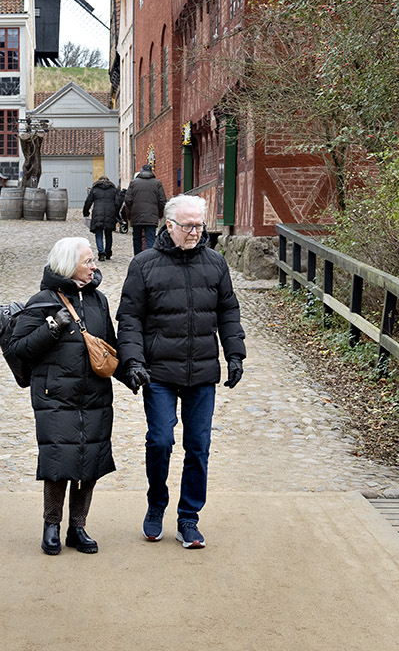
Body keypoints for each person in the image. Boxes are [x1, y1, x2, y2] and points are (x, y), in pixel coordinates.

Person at [116, 195, 245, 549]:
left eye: (199, 225)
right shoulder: (143, 265)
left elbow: (228, 313)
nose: (194, 232)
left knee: (198, 447)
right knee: (160, 441)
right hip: (158, 371)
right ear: (169, 225)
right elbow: (129, 318)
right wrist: (133, 362)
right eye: (187, 226)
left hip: (202, 371)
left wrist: (235, 354)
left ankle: (189, 518)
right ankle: (156, 505)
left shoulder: (216, 264)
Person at [5, 236, 119, 555]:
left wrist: (132, 372)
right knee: (59, 460)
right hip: (55, 395)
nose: (94, 266)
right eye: (88, 261)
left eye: (93, 259)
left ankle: (77, 528)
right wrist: (52, 326)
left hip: (94, 394)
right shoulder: (42, 300)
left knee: (91, 461)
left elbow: (108, 346)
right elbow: (18, 349)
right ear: (69, 266)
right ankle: (51, 525)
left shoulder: (99, 301)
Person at [124, 164, 166, 255]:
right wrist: (158, 212)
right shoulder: (157, 183)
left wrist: (132, 210)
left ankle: (138, 258)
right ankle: (148, 259)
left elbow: (127, 199)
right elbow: (162, 201)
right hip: (151, 216)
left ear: (141, 171)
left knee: (137, 239)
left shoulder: (133, 183)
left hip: (136, 215)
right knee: (150, 239)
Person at [82, 175, 122, 261]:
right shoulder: (114, 190)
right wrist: (116, 212)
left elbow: (88, 202)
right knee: (109, 233)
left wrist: (85, 213)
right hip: (110, 213)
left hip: (97, 213)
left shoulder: (95, 190)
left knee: (98, 233)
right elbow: (118, 203)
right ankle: (108, 251)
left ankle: (101, 252)